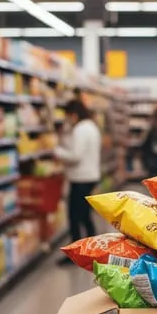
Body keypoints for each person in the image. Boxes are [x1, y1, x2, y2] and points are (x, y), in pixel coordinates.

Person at [54, 99, 102, 249]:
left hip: (81, 178)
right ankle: (91, 246)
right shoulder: (92, 126)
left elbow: (76, 156)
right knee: (85, 214)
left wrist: (56, 151)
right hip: (90, 176)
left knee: (75, 216)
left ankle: (77, 250)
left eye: (68, 116)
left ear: (74, 114)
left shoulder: (80, 129)